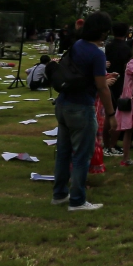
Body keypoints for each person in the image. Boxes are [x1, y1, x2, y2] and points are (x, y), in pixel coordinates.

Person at [52, 11, 116, 211]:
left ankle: (60, 194)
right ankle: (77, 200)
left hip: (63, 104)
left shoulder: (77, 46)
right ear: (103, 32)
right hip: (81, 107)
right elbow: (101, 87)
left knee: (63, 152)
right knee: (81, 155)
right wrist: (111, 113)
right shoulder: (97, 53)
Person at [103, 22, 133, 157]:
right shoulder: (128, 49)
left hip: (108, 81)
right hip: (122, 83)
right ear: (127, 33)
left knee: (108, 115)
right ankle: (113, 145)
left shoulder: (107, 47)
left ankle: (106, 144)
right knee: (118, 115)